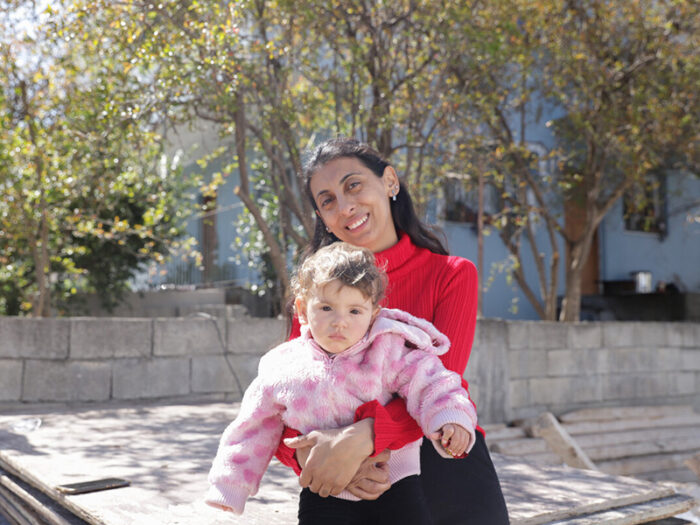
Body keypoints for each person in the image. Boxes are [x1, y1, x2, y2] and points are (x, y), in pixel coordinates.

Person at [275, 137, 510, 524]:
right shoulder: (313, 292)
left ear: (389, 182)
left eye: (353, 185)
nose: (345, 206)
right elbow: (285, 394)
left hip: (440, 454)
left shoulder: (451, 274)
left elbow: (441, 382)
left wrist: (361, 439)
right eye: (327, 200)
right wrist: (308, 455)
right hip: (345, 475)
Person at [205, 242, 477, 524]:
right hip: (324, 488)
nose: (340, 322)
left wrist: (451, 417)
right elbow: (253, 426)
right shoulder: (282, 365)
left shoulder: (388, 350)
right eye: (326, 307)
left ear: (374, 313)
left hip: (394, 481)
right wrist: (231, 485)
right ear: (301, 308)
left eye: (354, 311)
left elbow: (431, 381)